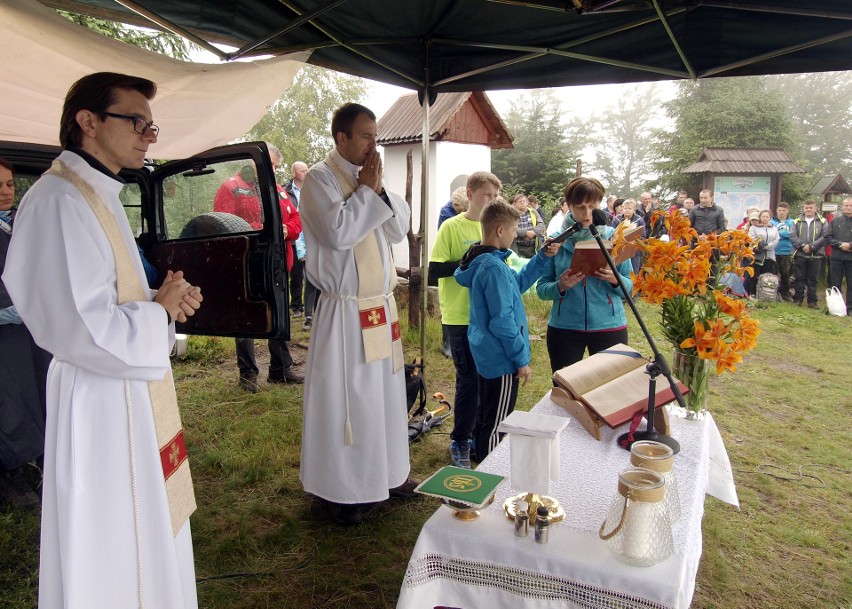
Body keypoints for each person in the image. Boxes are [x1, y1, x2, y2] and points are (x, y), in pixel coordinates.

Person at [2, 72, 203, 609]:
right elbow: (84, 328)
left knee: (148, 522)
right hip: (100, 396)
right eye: (135, 121)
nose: (148, 134)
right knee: (116, 534)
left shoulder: (100, 190)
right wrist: (157, 316)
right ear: (87, 122)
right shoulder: (57, 201)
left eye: (150, 124)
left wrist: (161, 298)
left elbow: (111, 299)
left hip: (131, 390)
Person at [298, 103, 416, 526]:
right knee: (348, 400)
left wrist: (377, 191)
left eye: (375, 135)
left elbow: (397, 229)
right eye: (365, 136)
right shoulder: (318, 179)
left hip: (379, 308)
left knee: (383, 395)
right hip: (345, 311)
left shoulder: (371, 178)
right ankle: (342, 491)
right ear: (341, 138)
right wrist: (367, 191)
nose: (373, 143)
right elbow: (339, 232)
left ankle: (386, 473)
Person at [453, 200, 558, 459]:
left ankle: (479, 452)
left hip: (487, 353)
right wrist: (521, 359)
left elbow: (517, 284)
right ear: (500, 230)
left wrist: (542, 257)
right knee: (498, 421)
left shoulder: (484, 261)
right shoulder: (493, 267)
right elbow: (502, 321)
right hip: (501, 358)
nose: (515, 236)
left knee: (487, 413)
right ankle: (489, 469)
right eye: (513, 231)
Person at [429, 171, 501, 468]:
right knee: (469, 380)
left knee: (488, 380)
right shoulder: (451, 226)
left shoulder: (496, 227)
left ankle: (480, 439)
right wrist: (466, 261)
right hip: (460, 317)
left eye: (496, 196)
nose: (492, 201)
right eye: (487, 195)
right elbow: (433, 272)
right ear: (470, 194)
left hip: (489, 316)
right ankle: (460, 441)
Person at [217, 145, 304, 391]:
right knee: (246, 318)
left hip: (277, 263)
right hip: (247, 263)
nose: (273, 171)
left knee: (278, 315)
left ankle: (280, 369)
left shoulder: (278, 190)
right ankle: (247, 374)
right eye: (271, 166)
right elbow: (224, 226)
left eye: (275, 167)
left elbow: (296, 219)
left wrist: (287, 230)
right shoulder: (231, 187)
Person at [536, 177, 633, 371]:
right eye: (580, 207)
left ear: (600, 204)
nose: (587, 214)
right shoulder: (556, 242)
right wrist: (559, 286)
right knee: (566, 392)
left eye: (592, 206)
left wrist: (615, 280)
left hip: (609, 325)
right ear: (568, 206)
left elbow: (631, 288)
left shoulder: (615, 238)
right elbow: (541, 289)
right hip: (565, 328)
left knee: (609, 390)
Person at [0, 157, 52, 508]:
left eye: (7, 184)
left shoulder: (22, 220)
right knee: (10, 401)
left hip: (37, 329)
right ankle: (10, 474)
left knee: (40, 393)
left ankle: (41, 462)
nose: (5, 192)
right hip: (5, 332)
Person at [790, 200, 828, 309]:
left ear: (816, 208)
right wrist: (802, 245)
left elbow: (825, 236)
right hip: (800, 254)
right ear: (803, 209)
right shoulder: (796, 221)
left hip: (815, 255)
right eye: (806, 208)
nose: (808, 210)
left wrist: (811, 246)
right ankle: (798, 299)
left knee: (813, 279)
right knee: (799, 278)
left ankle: (812, 302)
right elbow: (792, 236)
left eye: (811, 208)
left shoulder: (823, 221)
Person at [286, 161, 308, 317]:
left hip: (310, 236)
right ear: (294, 173)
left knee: (314, 273)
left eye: (307, 170)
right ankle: (296, 306)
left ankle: (312, 307)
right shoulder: (286, 192)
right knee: (296, 274)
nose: (306, 173)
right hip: (295, 237)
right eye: (302, 171)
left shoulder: (313, 188)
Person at [825, 196, 852, 315]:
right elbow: (828, 237)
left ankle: (850, 308)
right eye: (846, 205)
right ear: (842, 206)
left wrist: (850, 245)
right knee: (835, 283)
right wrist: (841, 244)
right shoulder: (835, 221)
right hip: (837, 257)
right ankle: (836, 308)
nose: (849, 208)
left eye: (851, 206)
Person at [748, 210, 780, 290]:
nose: (765, 218)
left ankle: (765, 293)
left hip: (770, 255)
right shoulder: (754, 228)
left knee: (767, 276)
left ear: (770, 218)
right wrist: (760, 246)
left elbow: (776, 240)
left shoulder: (774, 229)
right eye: (763, 216)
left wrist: (768, 246)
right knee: (755, 275)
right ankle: (753, 292)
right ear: (760, 217)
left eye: (767, 217)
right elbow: (751, 239)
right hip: (758, 255)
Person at [612, 199, 645, 272]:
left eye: (629, 209)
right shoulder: (616, 219)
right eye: (625, 208)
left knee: (634, 272)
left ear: (634, 210)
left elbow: (643, 235)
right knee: (619, 272)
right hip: (620, 251)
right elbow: (612, 234)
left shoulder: (639, 220)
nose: (627, 210)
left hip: (634, 251)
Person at [772, 202, 795, 301]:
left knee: (785, 274)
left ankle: (785, 293)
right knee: (773, 273)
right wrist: (785, 234)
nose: (781, 212)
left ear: (787, 211)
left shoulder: (792, 222)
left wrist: (781, 233)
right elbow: (772, 234)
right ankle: (773, 293)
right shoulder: (771, 221)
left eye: (784, 210)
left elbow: (792, 234)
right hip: (774, 251)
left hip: (787, 251)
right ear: (777, 211)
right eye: (780, 210)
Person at [510, 193, 544, 258]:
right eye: (520, 201)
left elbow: (541, 225)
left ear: (527, 203)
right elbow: (511, 227)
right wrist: (525, 233)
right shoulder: (511, 214)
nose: (522, 203)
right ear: (515, 204)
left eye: (524, 201)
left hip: (534, 248)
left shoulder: (533, 212)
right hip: (518, 247)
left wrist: (533, 232)